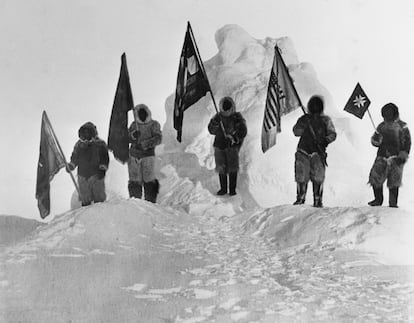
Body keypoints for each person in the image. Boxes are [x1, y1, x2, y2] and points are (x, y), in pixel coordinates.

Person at [292, 95, 337, 207]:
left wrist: (324, 140)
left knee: (318, 177)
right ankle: (301, 198)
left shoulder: (326, 120)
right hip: (303, 150)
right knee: (301, 176)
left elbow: (332, 134)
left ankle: (317, 199)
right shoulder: (304, 119)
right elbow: (296, 131)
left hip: (318, 152)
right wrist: (304, 124)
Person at [368, 103, 411, 208]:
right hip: (381, 156)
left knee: (394, 181)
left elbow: (407, 142)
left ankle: (393, 203)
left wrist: (403, 155)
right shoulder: (381, 126)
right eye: (385, 112)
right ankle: (378, 200)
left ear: (394, 113)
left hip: (396, 158)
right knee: (375, 177)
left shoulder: (402, 126)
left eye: (389, 112)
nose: (387, 115)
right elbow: (375, 143)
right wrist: (376, 139)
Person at [208, 96, 247, 196]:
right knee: (221, 168)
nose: (225, 109)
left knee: (232, 168)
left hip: (232, 146)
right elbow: (211, 130)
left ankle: (232, 190)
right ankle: (223, 189)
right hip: (219, 145)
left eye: (228, 107)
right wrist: (214, 123)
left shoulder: (237, 117)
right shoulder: (218, 117)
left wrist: (233, 138)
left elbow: (242, 131)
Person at [67, 122, 109, 206]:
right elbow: (74, 157)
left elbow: (104, 158)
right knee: (85, 198)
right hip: (82, 176)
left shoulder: (100, 144)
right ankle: (85, 213)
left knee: (99, 197)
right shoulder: (79, 145)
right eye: (83, 135)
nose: (86, 138)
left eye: (88, 134)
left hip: (96, 175)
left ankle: (100, 212)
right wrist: (71, 165)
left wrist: (102, 169)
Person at [127, 104, 162, 203]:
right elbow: (127, 138)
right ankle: (135, 202)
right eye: (139, 113)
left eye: (143, 113)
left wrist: (145, 144)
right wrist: (133, 136)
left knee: (149, 180)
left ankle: (150, 202)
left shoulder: (154, 125)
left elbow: (158, 138)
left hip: (148, 156)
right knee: (134, 180)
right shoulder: (134, 125)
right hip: (134, 156)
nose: (142, 115)